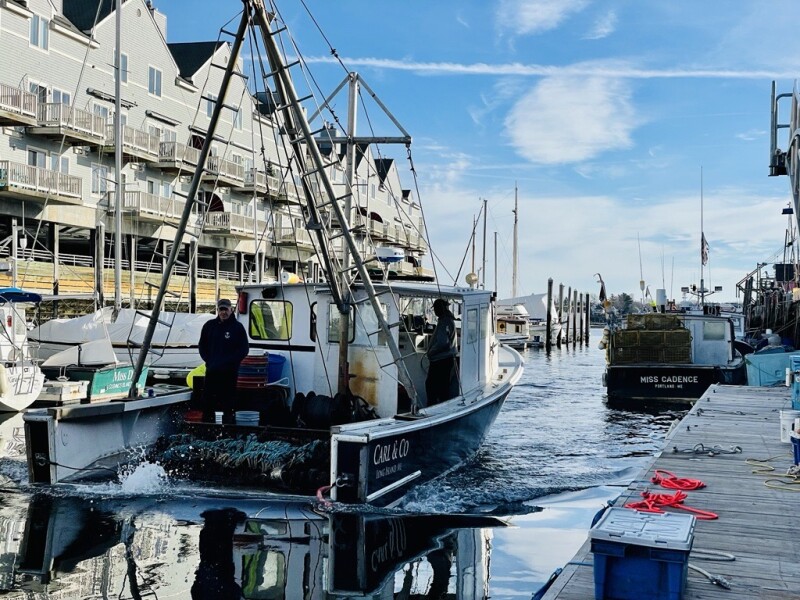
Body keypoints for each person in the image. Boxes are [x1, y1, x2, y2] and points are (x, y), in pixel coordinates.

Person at [198, 298, 249, 423]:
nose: (223, 312)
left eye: (226, 309)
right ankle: (207, 427)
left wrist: (232, 363)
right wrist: (209, 360)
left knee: (228, 403)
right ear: (218, 310)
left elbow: (244, 349)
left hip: (229, 373)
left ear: (231, 310)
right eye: (221, 309)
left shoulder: (237, 327)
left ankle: (228, 427)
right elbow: (202, 345)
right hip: (212, 371)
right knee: (208, 402)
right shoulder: (209, 326)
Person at [425, 298, 458, 406]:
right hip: (446, 359)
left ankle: (433, 407)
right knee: (443, 386)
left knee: (431, 385)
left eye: (435, 308)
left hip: (441, 359)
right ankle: (442, 406)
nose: (435, 311)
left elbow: (443, 343)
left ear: (440, 309)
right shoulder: (448, 320)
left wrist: (431, 352)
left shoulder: (444, 322)